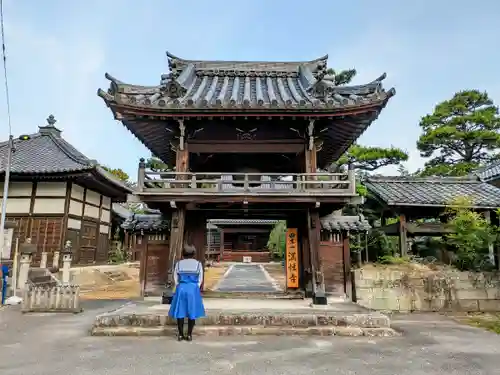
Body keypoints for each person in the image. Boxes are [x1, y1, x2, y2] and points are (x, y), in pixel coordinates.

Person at [169, 244, 206, 341]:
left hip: (181, 288)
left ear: (183, 253)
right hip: (193, 288)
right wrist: (196, 286)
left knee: (180, 311)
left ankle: (180, 334)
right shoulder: (198, 264)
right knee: (192, 311)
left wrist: (179, 285)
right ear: (194, 253)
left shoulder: (179, 264)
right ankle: (189, 334)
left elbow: (175, 277)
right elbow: (200, 278)